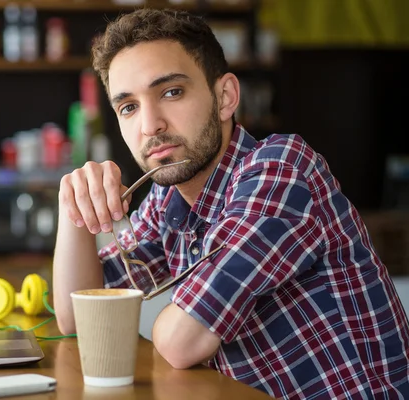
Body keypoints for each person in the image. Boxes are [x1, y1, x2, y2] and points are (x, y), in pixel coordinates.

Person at [52, 8, 409, 399]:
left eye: (171, 92)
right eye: (129, 107)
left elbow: (181, 342)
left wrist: (164, 322)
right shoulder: (168, 198)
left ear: (225, 97)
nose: (149, 124)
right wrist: (73, 205)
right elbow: (77, 320)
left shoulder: (280, 170)